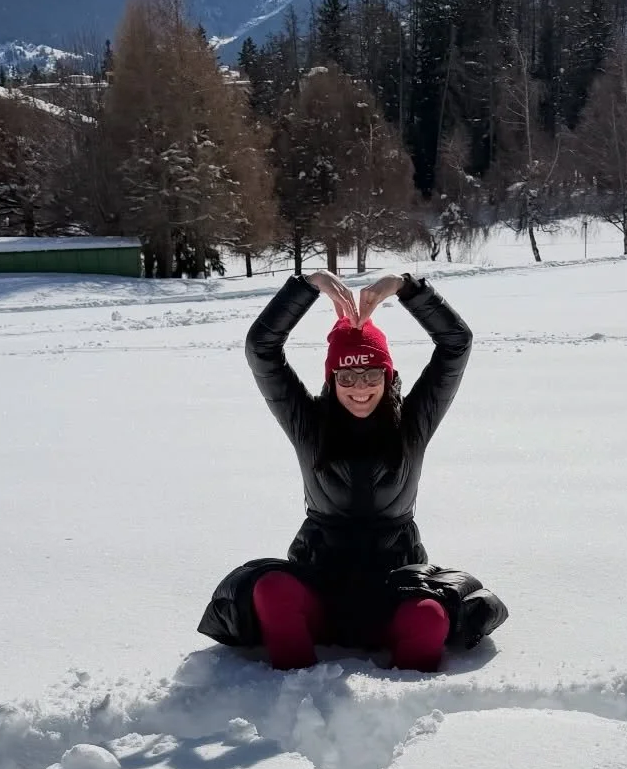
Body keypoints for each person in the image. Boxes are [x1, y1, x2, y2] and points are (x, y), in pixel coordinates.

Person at [198, 267, 507, 671]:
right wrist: (308, 286)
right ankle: (294, 694)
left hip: (393, 586)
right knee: (272, 589)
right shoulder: (308, 424)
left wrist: (406, 287)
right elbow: (262, 348)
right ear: (332, 377)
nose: (360, 387)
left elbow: (456, 343)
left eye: (370, 373)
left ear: (387, 375)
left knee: (429, 617)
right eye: (347, 375)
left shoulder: (413, 424)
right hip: (319, 587)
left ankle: (401, 710)